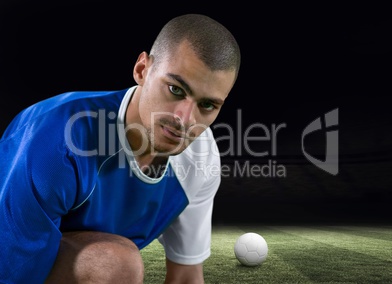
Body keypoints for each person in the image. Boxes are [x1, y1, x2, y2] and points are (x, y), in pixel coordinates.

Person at [0, 13, 241, 283]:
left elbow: (186, 277)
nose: (185, 120)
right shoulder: (60, 141)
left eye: (207, 105)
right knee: (116, 265)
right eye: (175, 89)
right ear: (142, 70)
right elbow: (12, 270)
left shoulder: (201, 157)